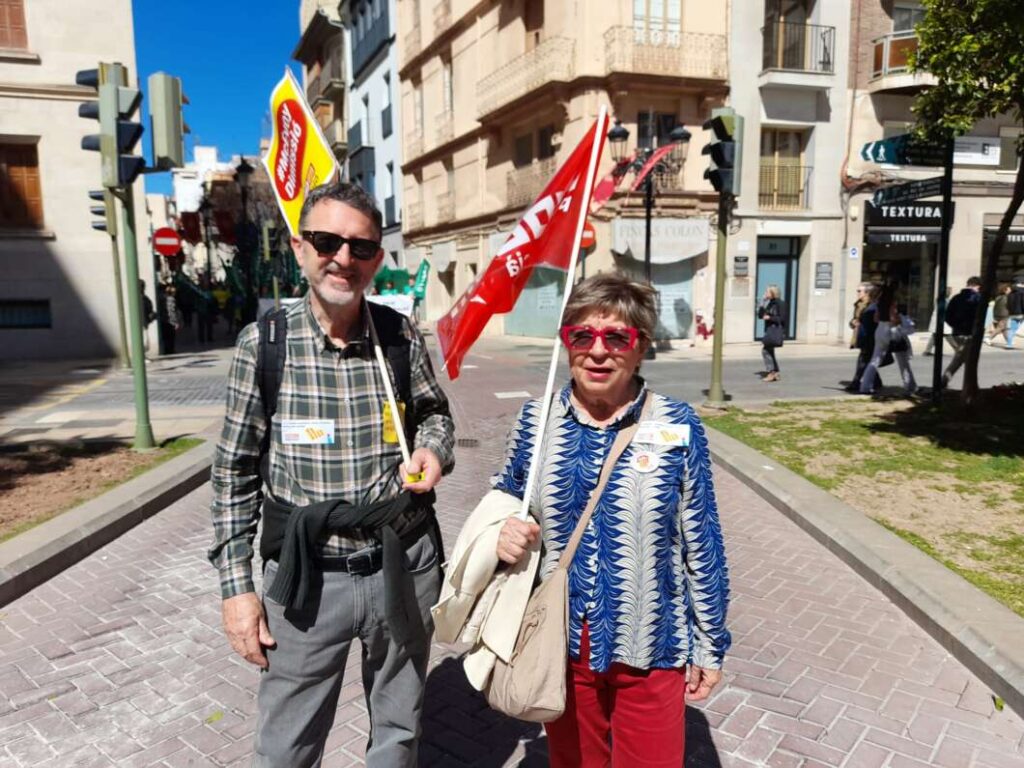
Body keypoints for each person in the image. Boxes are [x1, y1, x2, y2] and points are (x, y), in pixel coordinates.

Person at [208, 182, 455, 768]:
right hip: (307, 578)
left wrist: (434, 451)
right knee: (286, 746)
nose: (343, 258)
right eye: (327, 240)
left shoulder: (398, 336)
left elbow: (435, 413)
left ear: (377, 258)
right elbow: (233, 473)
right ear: (299, 248)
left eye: (361, 247)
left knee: (398, 731)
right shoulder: (265, 345)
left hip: (403, 562)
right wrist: (236, 590)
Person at [494, 273, 731, 768]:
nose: (598, 351)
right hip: (560, 644)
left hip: (652, 644)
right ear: (568, 344)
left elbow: (701, 539)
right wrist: (504, 532)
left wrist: (710, 643)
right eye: (583, 336)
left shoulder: (677, 423)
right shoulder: (537, 421)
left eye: (616, 337)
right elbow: (505, 497)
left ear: (640, 347)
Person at [941, 276, 983, 388]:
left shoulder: (955, 298)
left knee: (961, 359)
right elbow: (979, 317)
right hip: (969, 334)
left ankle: (945, 380)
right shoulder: (977, 298)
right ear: (977, 286)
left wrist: (956, 325)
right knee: (965, 361)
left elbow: (947, 316)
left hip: (957, 332)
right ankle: (965, 386)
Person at [859, 284, 898, 395]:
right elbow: (893, 318)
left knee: (874, 360)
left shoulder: (879, 303)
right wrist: (899, 321)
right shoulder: (891, 302)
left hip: (879, 329)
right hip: (887, 329)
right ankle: (910, 384)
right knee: (878, 359)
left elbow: (876, 318)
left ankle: (865, 386)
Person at [757, 284, 786, 382]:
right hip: (769, 330)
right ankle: (775, 372)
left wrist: (770, 318)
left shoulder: (780, 303)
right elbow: (760, 316)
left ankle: (771, 372)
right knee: (769, 351)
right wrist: (762, 302)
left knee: (765, 350)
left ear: (773, 293)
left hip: (775, 331)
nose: (765, 293)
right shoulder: (769, 303)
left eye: (767, 292)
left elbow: (782, 318)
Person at [888, 302, 917, 396]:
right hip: (893, 342)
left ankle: (909, 386)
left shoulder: (902, 317)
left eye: (894, 307)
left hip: (900, 343)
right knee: (904, 365)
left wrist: (900, 328)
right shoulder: (887, 317)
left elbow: (911, 329)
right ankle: (912, 386)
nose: (893, 309)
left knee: (904, 365)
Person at [923, 286, 953, 356]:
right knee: (947, 334)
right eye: (949, 291)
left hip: (941, 320)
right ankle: (957, 349)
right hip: (940, 320)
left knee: (935, 335)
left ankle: (927, 350)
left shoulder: (945, 299)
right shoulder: (942, 299)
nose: (950, 293)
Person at [158, 282, 182, 355]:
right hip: (169, 321)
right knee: (171, 336)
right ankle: (170, 349)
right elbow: (172, 312)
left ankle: (167, 349)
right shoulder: (171, 299)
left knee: (165, 337)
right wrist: (176, 322)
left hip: (163, 319)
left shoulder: (161, 298)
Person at [1006, 278, 1024, 348]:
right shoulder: (1022, 292)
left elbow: (1007, 304)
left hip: (1012, 313)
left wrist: (1010, 311)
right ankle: (1018, 332)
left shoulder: (1010, 293)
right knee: (1017, 328)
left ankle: (1009, 344)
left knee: (1012, 328)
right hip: (1021, 313)